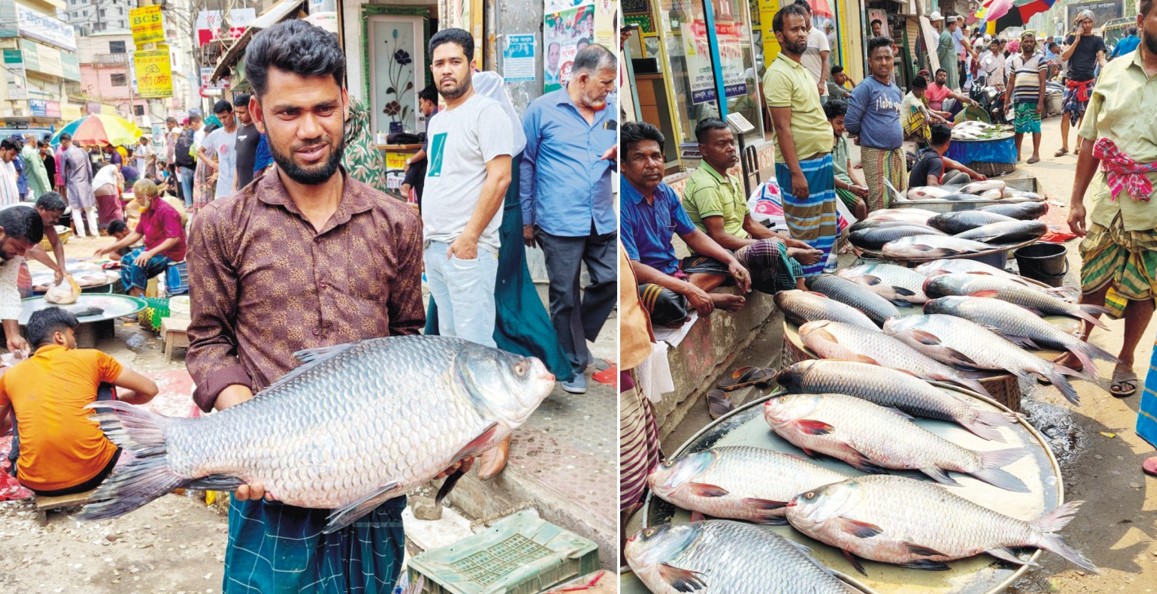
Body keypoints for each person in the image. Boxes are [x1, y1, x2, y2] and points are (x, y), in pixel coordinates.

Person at [186, 20, 446, 593]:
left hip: (373, 472)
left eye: (324, 109)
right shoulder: (221, 226)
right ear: (257, 113)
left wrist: (443, 431)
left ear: (345, 104)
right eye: (289, 113)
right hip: (269, 485)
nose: (310, 129)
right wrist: (244, 421)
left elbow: (407, 338)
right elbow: (207, 341)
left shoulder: (397, 223)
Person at [1066, 0, 1157, 400]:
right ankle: (1081, 344)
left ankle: (1125, 358)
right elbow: (1089, 140)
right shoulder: (1114, 71)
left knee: (1146, 288)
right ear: (1142, 21)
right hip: (1109, 195)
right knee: (1093, 276)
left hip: (1153, 202)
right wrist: (1076, 200)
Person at [519, 44, 617, 395]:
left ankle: (576, 340)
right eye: (605, 83)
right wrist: (526, 218)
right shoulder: (541, 110)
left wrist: (621, 156)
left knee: (612, 280)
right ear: (582, 77)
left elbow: (625, 158)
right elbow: (525, 164)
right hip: (558, 220)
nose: (609, 89)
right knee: (564, 295)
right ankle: (571, 363)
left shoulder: (612, 111)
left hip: (602, 217)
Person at [0, 307, 158, 494]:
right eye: (72, 335)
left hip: (35, 481)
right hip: (95, 472)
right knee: (104, 384)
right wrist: (118, 403)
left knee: (17, 401)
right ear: (60, 337)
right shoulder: (92, 358)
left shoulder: (10, 375)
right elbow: (149, 389)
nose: (75, 341)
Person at [422, 28, 513, 348]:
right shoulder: (438, 121)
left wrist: (470, 237)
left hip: (467, 249)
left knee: (474, 346)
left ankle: (486, 401)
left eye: (454, 61)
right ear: (431, 68)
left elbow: (500, 177)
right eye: (439, 63)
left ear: (470, 65)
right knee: (450, 343)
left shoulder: (487, 112)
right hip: (436, 247)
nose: (446, 69)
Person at [620, 121, 750, 325]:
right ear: (622, 165)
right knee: (661, 299)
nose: (652, 164)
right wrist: (688, 289)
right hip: (640, 281)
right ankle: (699, 297)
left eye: (655, 156)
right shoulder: (620, 203)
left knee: (729, 258)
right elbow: (633, 267)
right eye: (639, 157)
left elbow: (692, 234)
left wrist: (730, 261)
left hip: (672, 271)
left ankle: (685, 295)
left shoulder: (665, 192)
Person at [683, 118, 819, 293]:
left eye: (731, 142)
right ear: (704, 150)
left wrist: (789, 240)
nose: (731, 148)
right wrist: (781, 245)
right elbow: (718, 237)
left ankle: (803, 297)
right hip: (721, 255)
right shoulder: (705, 185)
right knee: (771, 248)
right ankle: (789, 255)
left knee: (777, 244)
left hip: (742, 246)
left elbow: (750, 224)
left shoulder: (730, 179)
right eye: (721, 144)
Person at [763, 2, 839, 276]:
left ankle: (819, 280)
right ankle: (803, 288)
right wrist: (796, 173)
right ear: (780, 36)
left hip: (819, 161)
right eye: (794, 30)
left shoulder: (801, 69)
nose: (802, 34)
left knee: (825, 227)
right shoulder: (778, 74)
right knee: (805, 231)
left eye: (804, 28)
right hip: (801, 166)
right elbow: (782, 129)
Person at [94, 180, 185, 298]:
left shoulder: (165, 210)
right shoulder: (146, 209)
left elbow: (174, 238)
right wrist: (109, 248)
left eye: (139, 198)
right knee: (126, 260)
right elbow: (137, 233)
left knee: (138, 265)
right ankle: (134, 301)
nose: (137, 201)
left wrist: (150, 253)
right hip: (152, 248)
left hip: (169, 252)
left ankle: (141, 307)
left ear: (148, 196)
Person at [846, 36, 905, 212]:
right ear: (870, 62)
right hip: (875, 154)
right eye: (878, 58)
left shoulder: (895, 90)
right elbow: (850, 122)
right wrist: (865, 134)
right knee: (879, 203)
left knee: (898, 200)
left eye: (887, 58)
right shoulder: (865, 88)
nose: (884, 62)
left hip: (896, 154)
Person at [1057, 10, 1108, 157]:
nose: (1087, 25)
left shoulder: (1097, 40)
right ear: (1080, 23)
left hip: (1087, 82)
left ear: (1093, 23)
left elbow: (1101, 58)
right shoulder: (1071, 37)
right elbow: (1064, 56)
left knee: (1083, 115)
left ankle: (1078, 146)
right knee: (1065, 114)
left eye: (1089, 22)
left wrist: (1108, 66)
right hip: (1071, 82)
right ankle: (1064, 146)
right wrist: (1077, 40)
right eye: (1084, 22)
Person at [0, 206, 43, 357]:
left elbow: (6, 287)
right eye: (18, 247)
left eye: (25, 249)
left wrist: (13, 335)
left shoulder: (11, 251)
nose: (21, 254)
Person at [1005, 30, 1048, 164]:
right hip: (1019, 99)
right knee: (1018, 128)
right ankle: (1017, 155)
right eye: (1026, 41)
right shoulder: (1015, 61)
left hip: (1034, 99)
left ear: (1034, 43)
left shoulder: (1040, 59)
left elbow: (1042, 82)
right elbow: (1011, 82)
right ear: (1021, 43)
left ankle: (1036, 154)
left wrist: (1041, 102)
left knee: (1035, 126)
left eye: (1031, 41)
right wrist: (1006, 101)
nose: (1028, 44)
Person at [825, 101, 870, 219]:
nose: (843, 127)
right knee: (860, 205)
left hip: (847, 183)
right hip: (834, 186)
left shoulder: (843, 139)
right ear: (828, 121)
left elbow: (849, 169)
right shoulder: (824, 143)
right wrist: (851, 188)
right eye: (839, 123)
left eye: (844, 122)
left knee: (871, 197)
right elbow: (827, 175)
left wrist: (861, 187)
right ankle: (860, 235)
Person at [908, 124, 986, 188]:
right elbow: (931, 185)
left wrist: (977, 175)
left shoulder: (923, 151)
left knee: (955, 172)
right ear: (948, 143)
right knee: (964, 177)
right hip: (923, 196)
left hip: (916, 188)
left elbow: (954, 164)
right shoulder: (936, 161)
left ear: (931, 139)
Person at [400, 86, 439, 205]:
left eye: (421, 103)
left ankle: (406, 185)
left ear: (429, 102)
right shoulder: (435, 116)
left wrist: (409, 161)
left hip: (435, 165)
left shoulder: (436, 118)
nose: (421, 107)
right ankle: (406, 185)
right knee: (418, 164)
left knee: (418, 164)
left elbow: (427, 149)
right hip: (432, 161)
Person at [58, 133, 99, 239]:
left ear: (64, 141)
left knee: (75, 210)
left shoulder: (66, 154)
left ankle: (81, 234)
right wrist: (89, 182)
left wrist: (66, 184)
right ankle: (95, 233)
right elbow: (89, 169)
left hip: (73, 184)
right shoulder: (83, 152)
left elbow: (63, 173)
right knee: (89, 209)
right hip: (85, 183)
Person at [199, 100, 239, 200]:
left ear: (232, 113)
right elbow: (199, 152)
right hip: (223, 185)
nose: (222, 121)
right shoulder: (215, 134)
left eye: (225, 117)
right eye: (219, 118)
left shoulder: (242, 132)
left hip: (241, 183)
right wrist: (214, 165)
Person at [795, 0, 831, 100]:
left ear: (810, 14)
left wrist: (822, 83)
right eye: (797, 15)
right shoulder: (795, 37)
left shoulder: (819, 35)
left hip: (818, 90)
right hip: (801, 91)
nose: (800, 18)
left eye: (803, 14)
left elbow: (825, 61)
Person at [901, 75, 951, 144]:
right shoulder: (910, 97)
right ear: (914, 88)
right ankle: (914, 136)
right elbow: (923, 109)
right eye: (919, 90)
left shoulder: (919, 97)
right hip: (904, 129)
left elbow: (926, 109)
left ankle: (920, 135)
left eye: (923, 90)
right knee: (918, 113)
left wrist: (940, 116)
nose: (921, 93)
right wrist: (931, 117)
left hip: (908, 127)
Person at [232, 93, 260, 191]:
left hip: (256, 186)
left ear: (251, 109)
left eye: (242, 112)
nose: (238, 116)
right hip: (242, 187)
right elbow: (238, 160)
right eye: (236, 112)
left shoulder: (259, 129)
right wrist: (234, 186)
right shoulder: (240, 130)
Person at [175, 114, 201, 206]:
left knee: (186, 187)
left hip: (184, 166)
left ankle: (189, 205)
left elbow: (177, 150)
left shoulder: (181, 135)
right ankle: (197, 204)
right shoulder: (198, 133)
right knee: (197, 186)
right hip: (196, 165)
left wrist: (177, 165)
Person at [92, 159, 125, 231]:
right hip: (107, 187)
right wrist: (119, 179)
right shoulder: (112, 166)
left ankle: (104, 227)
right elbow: (114, 171)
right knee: (115, 207)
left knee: (103, 208)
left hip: (96, 189)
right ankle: (120, 226)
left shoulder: (100, 172)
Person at [931, 13, 961, 91]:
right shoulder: (946, 35)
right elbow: (941, 51)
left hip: (950, 64)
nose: (956, 27)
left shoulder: (948, 34)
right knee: (948, 86)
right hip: (947, 65)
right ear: (951, 25)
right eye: (955, 25)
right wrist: (937, 62)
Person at [20, 134, 49, 200]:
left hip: (28, 184)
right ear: (33, 141)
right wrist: (46, 189)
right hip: (36, 185)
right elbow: (38, 172)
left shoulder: (22, 151)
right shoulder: (32, 152)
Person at [0, 139, 20, 206]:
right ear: (3, 149)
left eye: (15, 155)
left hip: (12, 208)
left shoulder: (10, 164)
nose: (13, 158)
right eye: (11, 154)